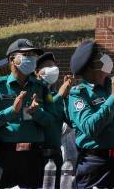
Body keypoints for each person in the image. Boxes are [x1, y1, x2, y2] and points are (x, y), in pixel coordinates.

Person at [0, 38, 54, 189]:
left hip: (32, 159)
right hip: (2, 157)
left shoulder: (41, 87)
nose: (31, 59)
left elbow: (51, 122)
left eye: (33, 55)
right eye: (26, 55)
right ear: (12, 59)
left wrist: (37, 113)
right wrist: (11, 111)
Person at [67, 40, 114, 189]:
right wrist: (113, 98)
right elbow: (90, 127)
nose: (105, 57)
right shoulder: (78, 94)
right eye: (100, 55)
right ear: (91, 65)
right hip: (97, 164)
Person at [35, 52, 75, 188]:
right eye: (47, 66)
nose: (53, 69)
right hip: (35, 157)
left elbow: (71, 121)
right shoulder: (33, 93)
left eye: (54, 66)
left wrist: (67, 97)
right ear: (37, 73)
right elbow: (40, 116)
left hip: (56, 157)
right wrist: (60, 95)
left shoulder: (52, 96)